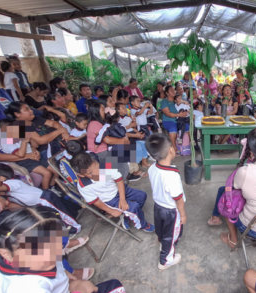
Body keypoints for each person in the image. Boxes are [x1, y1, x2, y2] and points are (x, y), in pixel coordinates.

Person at [0, 207, 143, 293]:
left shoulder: (16, 263)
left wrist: (62, 272)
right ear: (6, 253)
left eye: (56, 245)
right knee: (116, 290)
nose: (52, 257)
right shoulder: (27, 288)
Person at [0, 163, 81, 232]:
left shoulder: (11, 183)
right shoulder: (6, 188)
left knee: (61, 214)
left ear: (0, 179)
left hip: (44, 199)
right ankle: (71, 219)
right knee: (57, 213)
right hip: (40, 201)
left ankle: (75, 228)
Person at [71, 153, 154, 232]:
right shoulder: (84, 186)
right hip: (110, 200)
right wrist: (111, 211)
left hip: (119, 190)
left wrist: (122, 199)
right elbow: (96, 201)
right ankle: (143, 225)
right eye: (90, 173)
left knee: (142, 195)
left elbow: (118, 180)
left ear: (96, 162)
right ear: (81, 175)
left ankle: (128, 215)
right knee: (134, 207)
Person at [145, 134, 187, 270]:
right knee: (171, 235)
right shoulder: (171, 176)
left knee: (161, 228)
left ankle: (162, 242)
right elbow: (178, 198)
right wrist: (183, 214)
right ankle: (166, 260)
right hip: (171, 211)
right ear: (171, 149)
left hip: (158, 206)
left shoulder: (152, 168)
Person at [4, 102, 70, 168]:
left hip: (56, 144)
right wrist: (59, 131)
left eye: (30, 108)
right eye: (27, 109)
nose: (31, 110)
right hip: (44, 152)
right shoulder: (19, 125)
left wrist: (63, 132)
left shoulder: (35, 119)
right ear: (17, 114)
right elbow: (41, 140)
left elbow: (53, 123)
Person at [0, 119, 55, 189]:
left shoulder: (18, 136)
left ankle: (52, 187)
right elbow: (20, 155)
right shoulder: (6, 141)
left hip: (32, 158)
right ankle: (47, 192)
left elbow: (36, 145)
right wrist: (24, 142)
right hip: (23, 161)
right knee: (47, 173)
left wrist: (30, 139)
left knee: (55, 170)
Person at [160, 85, 190, 153]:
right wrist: (179, 114)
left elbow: (186, 105)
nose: (174, 91)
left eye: (174, 90)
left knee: (188, 128)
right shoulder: (165, 101)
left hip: (180, 120)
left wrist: (184, 112)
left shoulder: (177, 100)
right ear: (167, 93)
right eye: (171, 90)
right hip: (169, 120)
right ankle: (174, 147)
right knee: (173, 129)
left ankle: (189, 146)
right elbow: (167, 113)